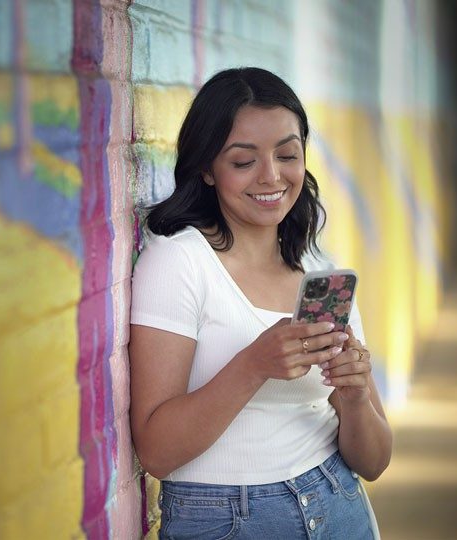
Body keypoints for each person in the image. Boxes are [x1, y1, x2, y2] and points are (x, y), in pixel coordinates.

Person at [129, 67, 392, 539]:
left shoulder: (318, 271)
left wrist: (354, 399)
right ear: (207, 168)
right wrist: (253, 364)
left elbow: (373, 462)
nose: (271, 176)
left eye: (287, 154)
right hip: (227, 520)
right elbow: (156, 453)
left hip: (338, 503)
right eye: (243, 160)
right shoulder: (179, 263)